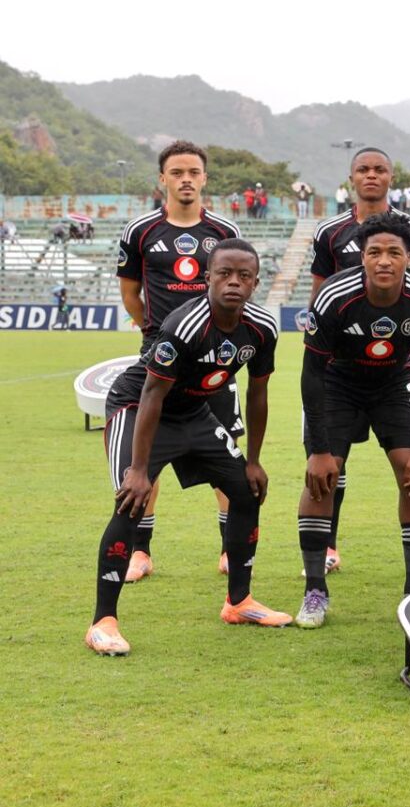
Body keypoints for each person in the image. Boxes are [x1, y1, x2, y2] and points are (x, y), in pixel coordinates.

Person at [85, 239, 287, 655]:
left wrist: (253, 460)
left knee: (246, 491)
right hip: (137, 407)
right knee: (131, 501)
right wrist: (138, 470)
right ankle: (102, 623)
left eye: (244, 276)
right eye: (225, 274)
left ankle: (238, 602)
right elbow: (152, 394)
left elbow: (258, 393)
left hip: (194, 413)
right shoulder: (185, 324)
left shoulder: (263, 328)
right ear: (207, 277)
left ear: (256, 282)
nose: (234, 282)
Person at [295, 213, 410, 628]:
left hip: (394, 381)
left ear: (409, 258)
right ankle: (315, 590)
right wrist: (319, 450)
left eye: (394, 252)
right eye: (374, 252)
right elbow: (311, 373)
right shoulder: (334, 294)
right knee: (322, 477)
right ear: (361, 257)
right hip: (337, 382)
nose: (384, 260)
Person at [116, 140, 242, 579]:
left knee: (227, 455)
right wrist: (154, 333)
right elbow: (130, 294)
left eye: (193, 172)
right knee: (145, 457)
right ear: (162, 179)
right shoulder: (140, 231)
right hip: (160, 359)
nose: (185, 179)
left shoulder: (224, 231)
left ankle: (229, 549)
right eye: (177, 172)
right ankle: (140, 552)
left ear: (204, 178)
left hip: (214, 361)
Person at [308, 147, 410, 578]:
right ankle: (326, 550)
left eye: (380, 169)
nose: (371, 175)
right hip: (339, 367)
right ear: (351, 177)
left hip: (394, 366)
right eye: (363, 169)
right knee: (329, 466)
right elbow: (318, 294)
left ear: (391, 176)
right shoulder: (329, 233)